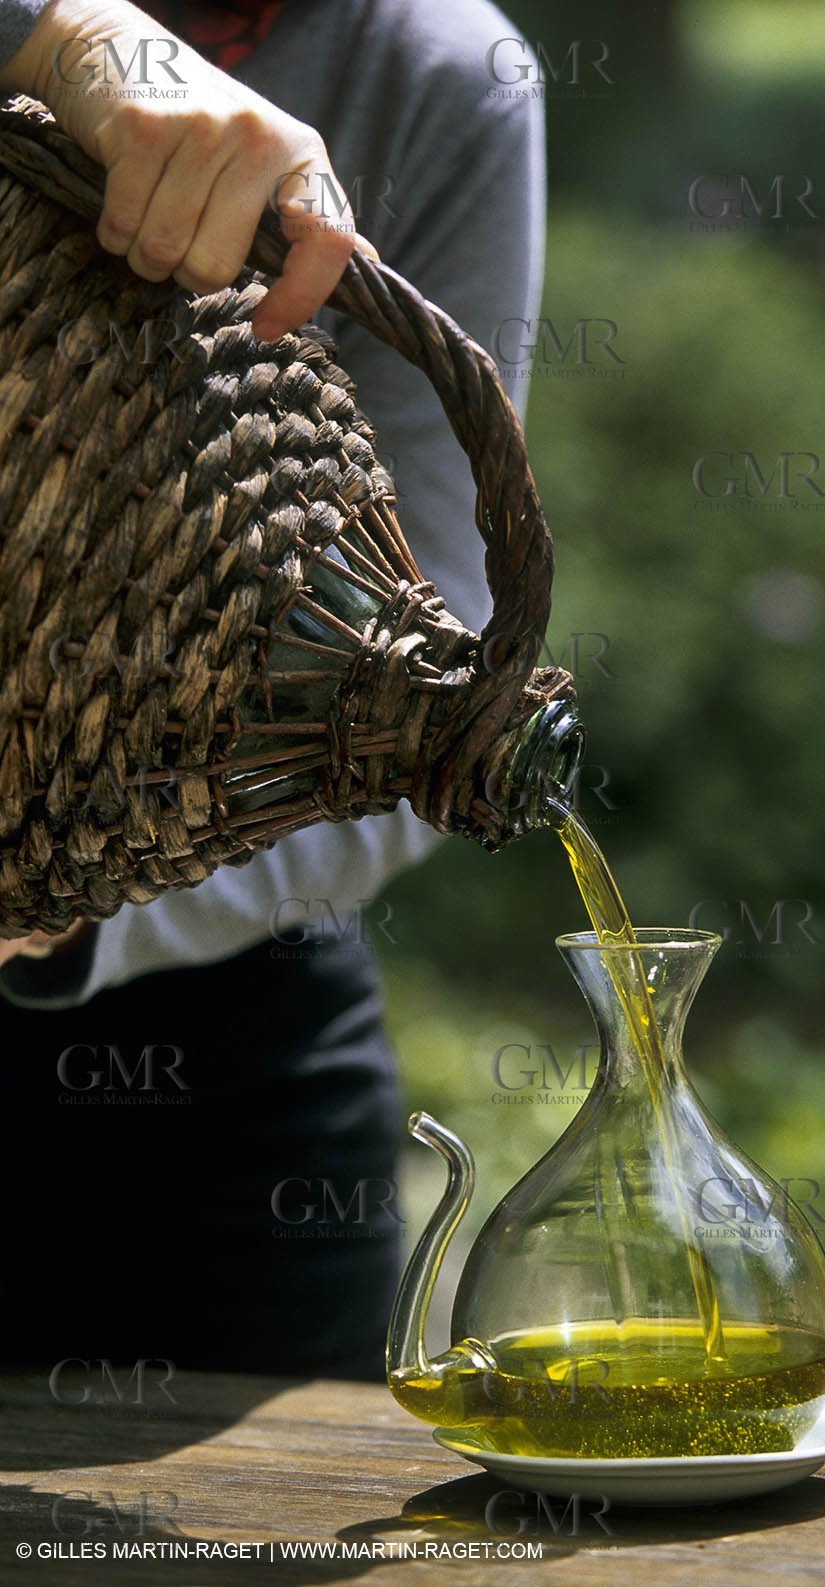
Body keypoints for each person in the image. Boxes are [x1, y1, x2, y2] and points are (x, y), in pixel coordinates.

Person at [0, 0, 544, 1379]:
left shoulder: (439, 77)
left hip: (207, 1053)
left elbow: (429, 705)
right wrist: (70, 40)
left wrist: (55, 911)